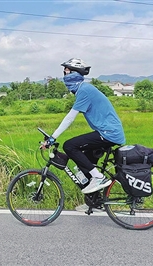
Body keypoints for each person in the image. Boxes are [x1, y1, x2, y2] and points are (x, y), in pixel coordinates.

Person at [42, 58, 126, 210]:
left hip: (109, 133)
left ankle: (99, 178)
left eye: (66, 71)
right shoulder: (83, 89)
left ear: (74, 73)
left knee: (70, 146)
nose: (64, 74)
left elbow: (70, 118)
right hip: (107, 132)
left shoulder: (84, 91)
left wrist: (53, 137)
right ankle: (95, 202)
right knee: (84, 164)